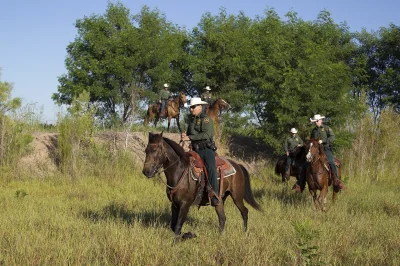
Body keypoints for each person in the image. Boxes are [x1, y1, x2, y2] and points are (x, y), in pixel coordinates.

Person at [181, 97, 220, 206]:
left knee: (211, 167)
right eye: (191, 107)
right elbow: (189, 134)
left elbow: (206, 135)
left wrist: (190, 137)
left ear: (200, 107)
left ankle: (214, 195)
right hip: (194, 149)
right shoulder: (192, 120)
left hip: (205, 149)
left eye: (193, 107)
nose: (191, 109)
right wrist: (184, 136)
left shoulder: (206, 119)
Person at [293, 114, 346, 192]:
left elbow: (332, 137)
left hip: (325, 149)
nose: (315, 123)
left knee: (331, 162)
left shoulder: (326, 128)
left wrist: (323, 141)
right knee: (305, 165)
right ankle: (300, 183)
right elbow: (311, 140)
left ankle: (336, 181)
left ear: (320, 120)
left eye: (316, 121)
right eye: (315, 121)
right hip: (316, 151)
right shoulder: (313, 130)